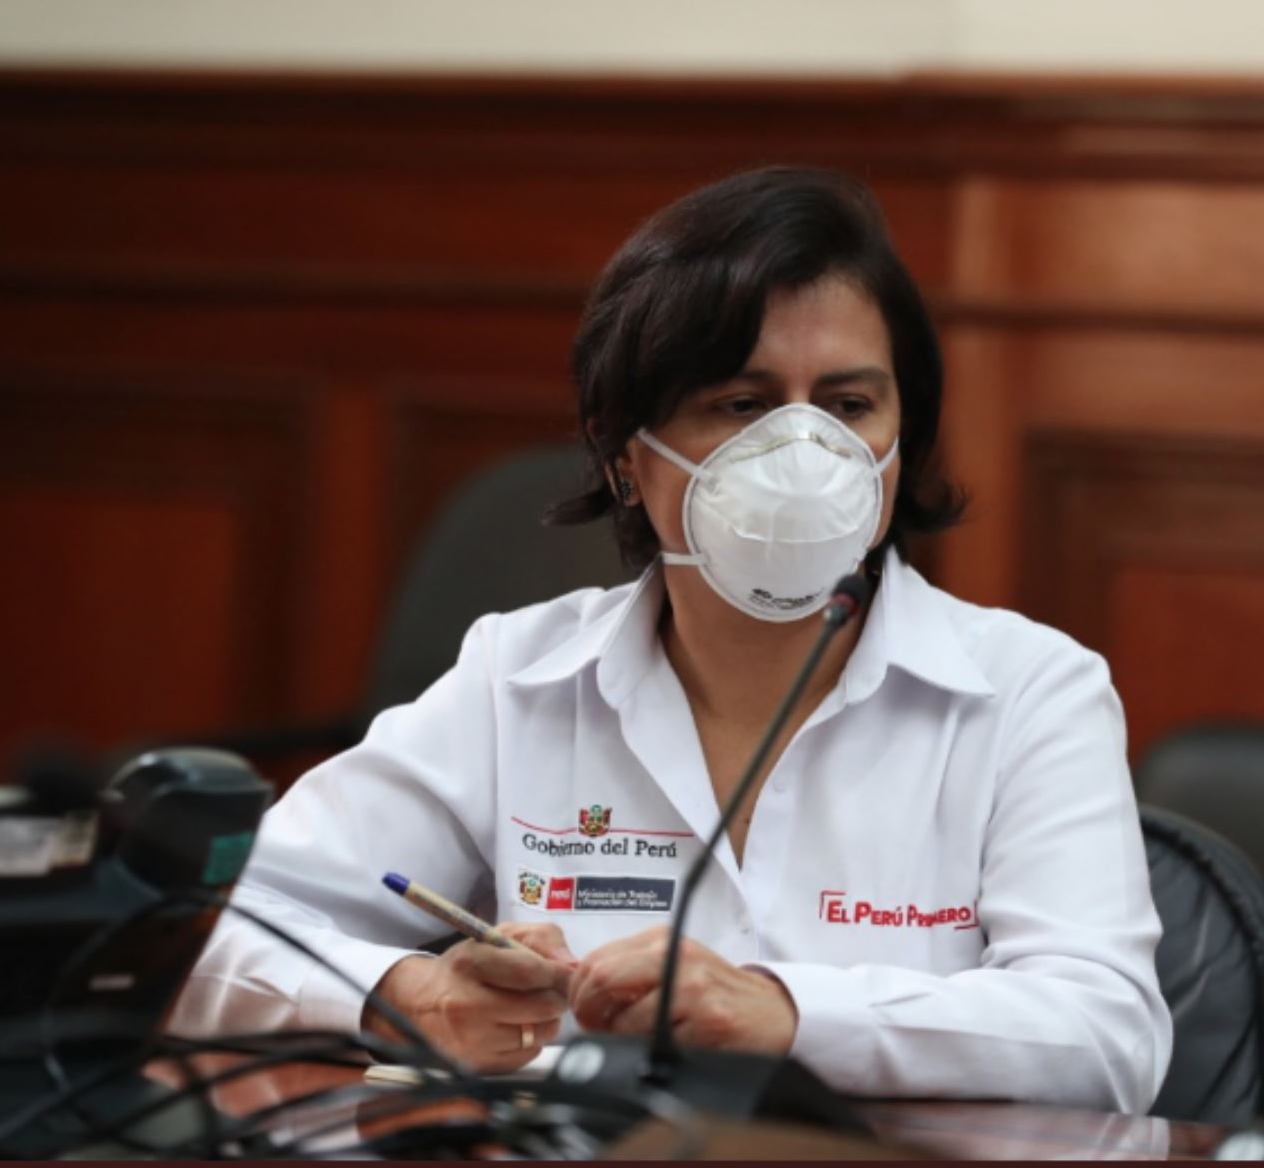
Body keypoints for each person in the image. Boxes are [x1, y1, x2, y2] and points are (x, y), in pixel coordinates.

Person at [171, 166, 1172, 1112]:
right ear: (625, 456)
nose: (805, 452)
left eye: (848, 405)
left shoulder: (1031, 687)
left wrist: (783, 1013)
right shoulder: (518, 678)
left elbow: (1108, 1033)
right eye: (742, 404)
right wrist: (409, 991)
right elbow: (207, 932)